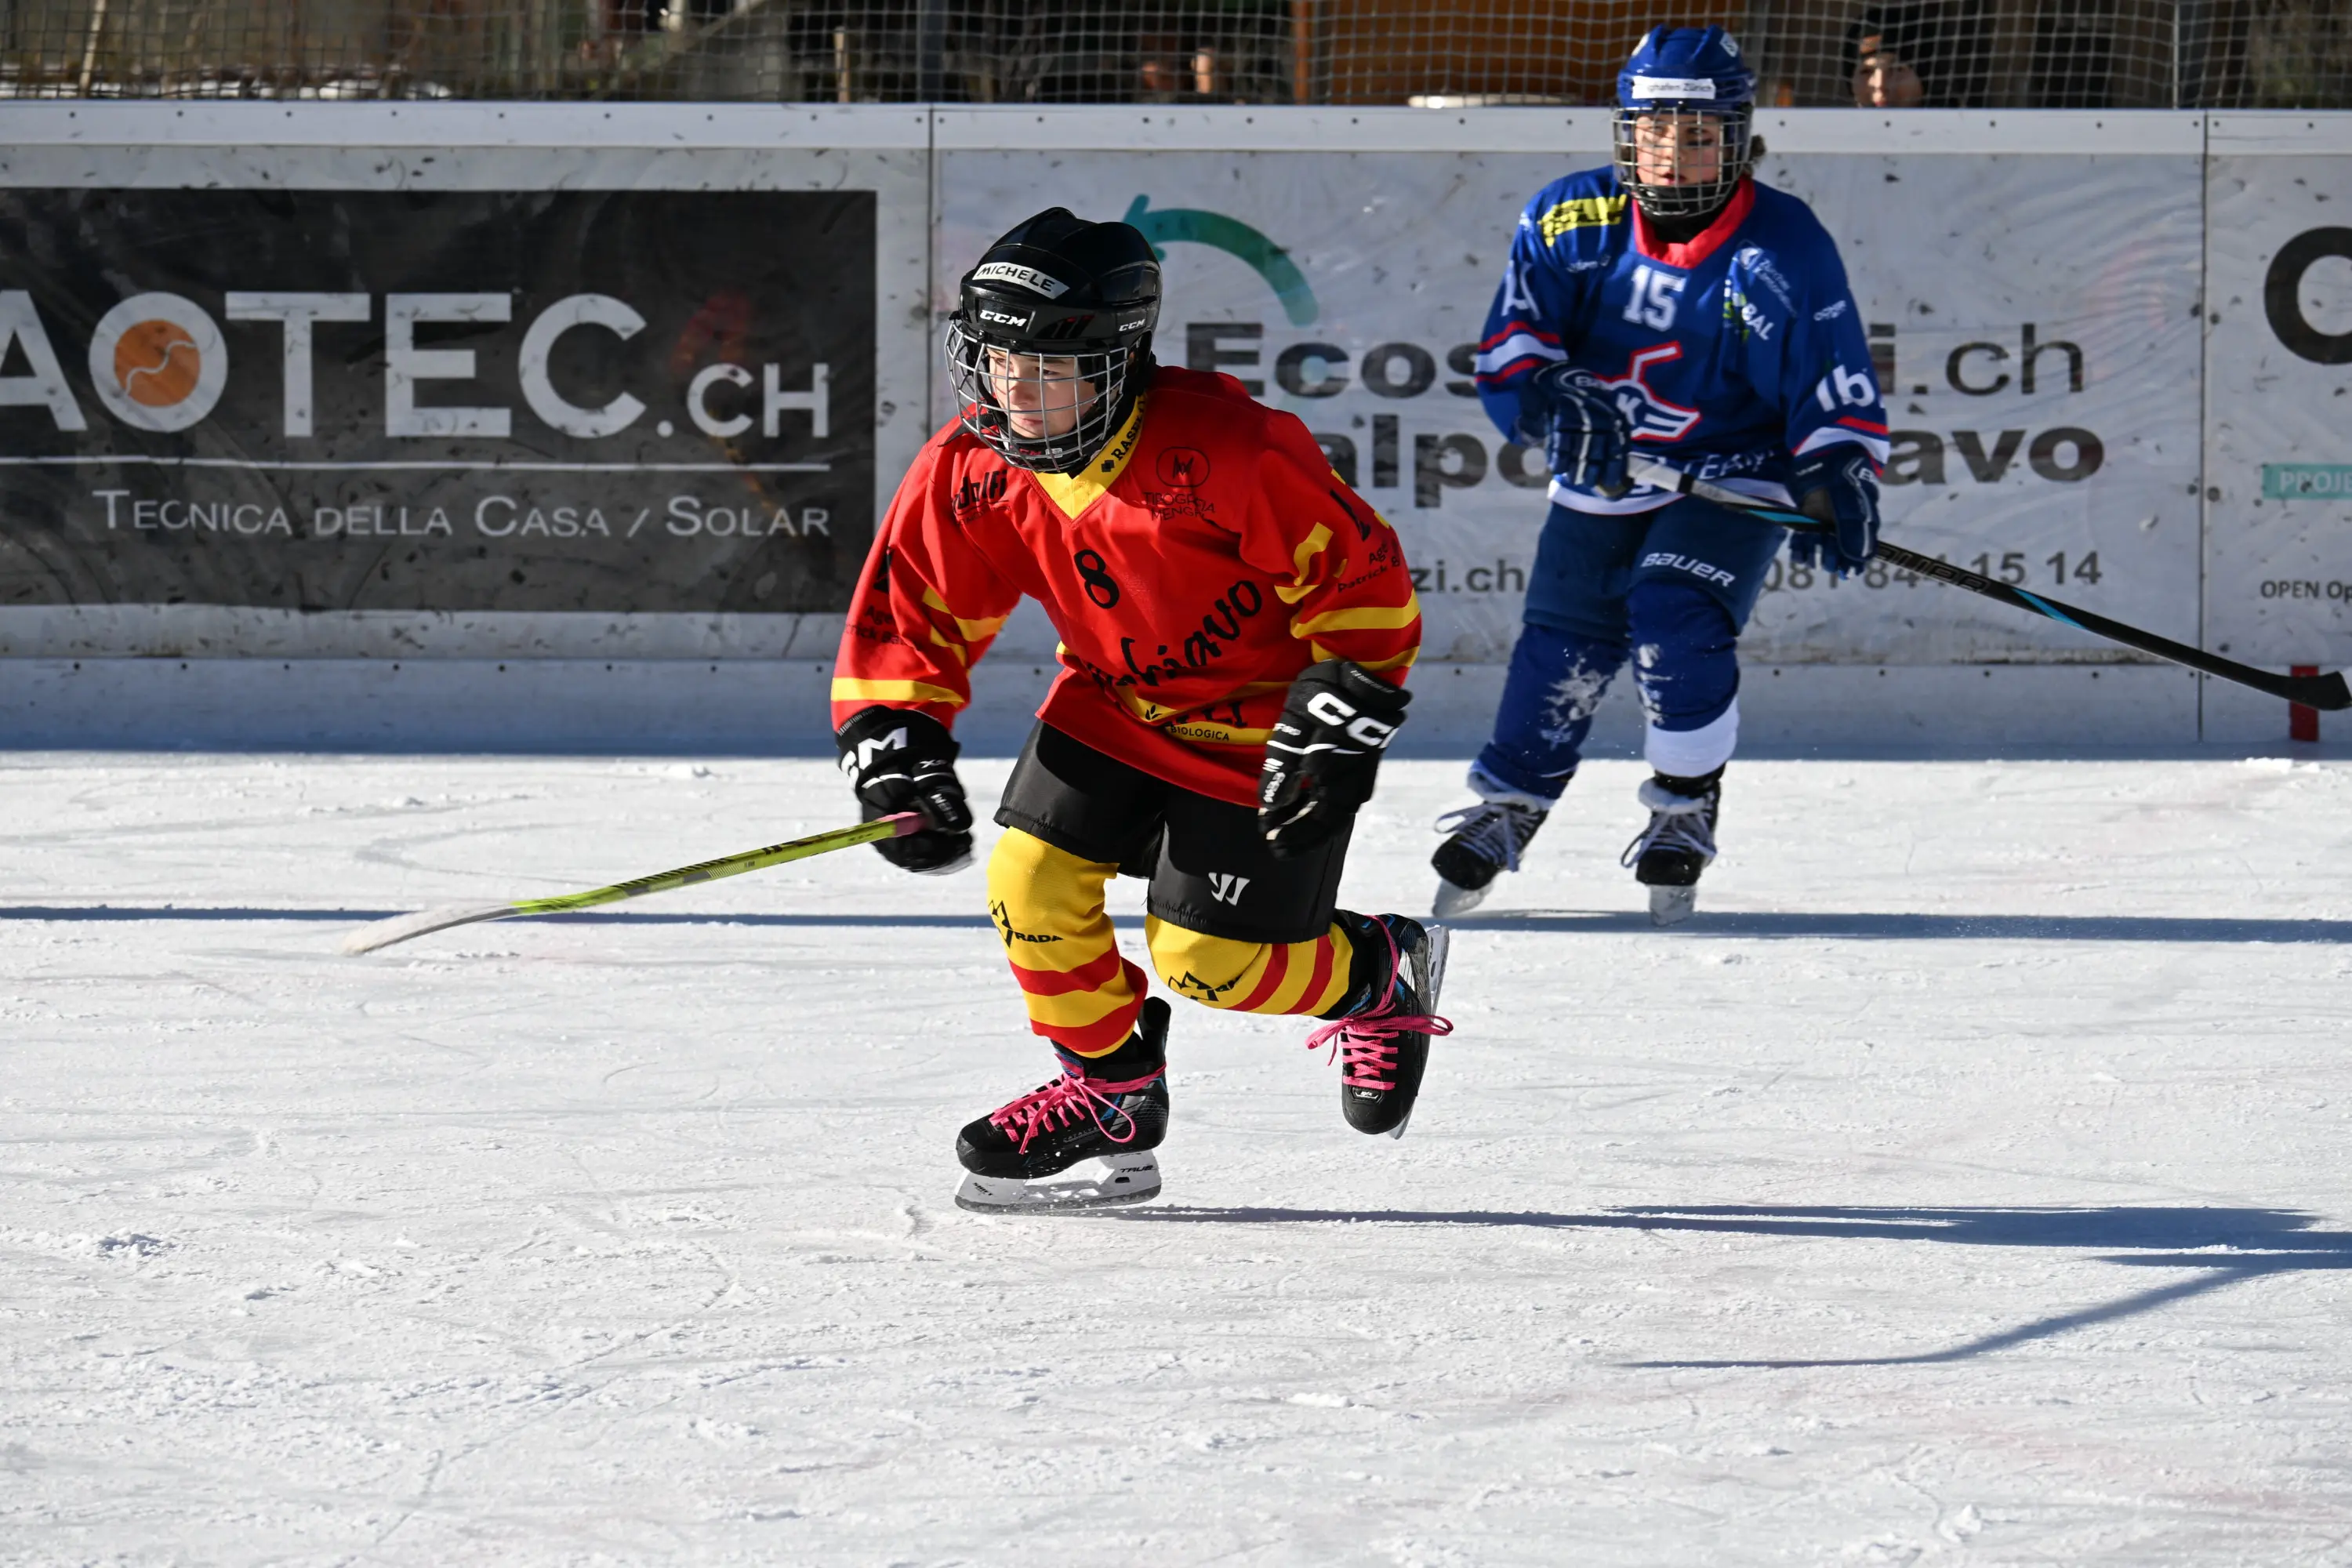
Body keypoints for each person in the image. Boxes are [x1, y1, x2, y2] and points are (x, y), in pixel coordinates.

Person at [833, 208, 1450, 1212]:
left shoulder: (1232, 452)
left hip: (1259, 727)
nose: (1016, 390)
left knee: (1211, 965)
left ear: (1119, 361)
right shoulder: (975, 468)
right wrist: (896, 738)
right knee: (1027, 882)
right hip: (1113, 703)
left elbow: (1361, 578)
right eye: (996, 360)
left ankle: (1376, 970)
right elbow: (916, 610)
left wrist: (1342, 707)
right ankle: (1112, 1092)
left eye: (1049, 366)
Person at [1433, 25, 1887, 925]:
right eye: (1653, 132)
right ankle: (1511, 801)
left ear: (1739, 135)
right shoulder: (1569, 218)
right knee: (1562, 643)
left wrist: (1836, 466)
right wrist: (1551, 395)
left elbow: (1830, 377)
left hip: (1737, 470)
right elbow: (1512, 348)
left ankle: (1685, 800)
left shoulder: (1781, 246)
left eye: (1698, 133)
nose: (1672, 154)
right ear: (1623, 135)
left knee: (1674, 614)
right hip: (1609, 469)